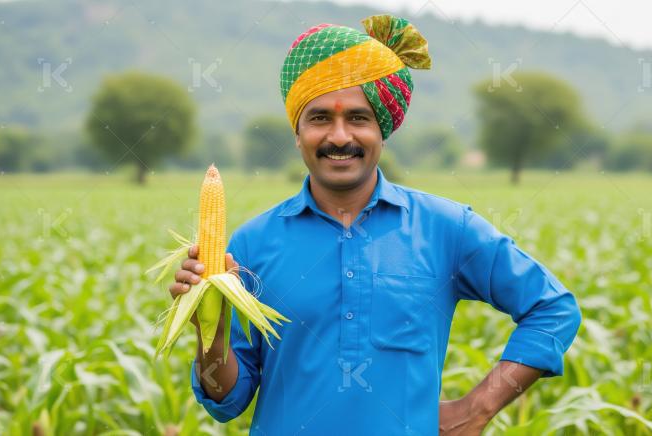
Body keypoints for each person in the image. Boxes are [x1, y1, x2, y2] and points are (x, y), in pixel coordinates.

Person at [169, 14, 581, 435]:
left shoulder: (446, 229)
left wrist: (476, 408)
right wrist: (210, 330)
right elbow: (227, 401)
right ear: (297, 132)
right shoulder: (252, 245)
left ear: (383, 130)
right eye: (319, 118)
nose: (339, 136)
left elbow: (552, 309)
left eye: (358, 118)